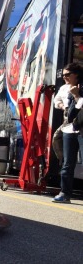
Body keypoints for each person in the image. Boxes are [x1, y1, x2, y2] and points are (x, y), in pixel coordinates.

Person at [53, 62, 83, 203]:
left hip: (81, 127)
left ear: (76, 74)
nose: (64, 77)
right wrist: (62, 106)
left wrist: (77, 96)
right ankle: (65, 193)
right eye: (63, 75)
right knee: (67, 163)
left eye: (67, 75)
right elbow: (56, 100)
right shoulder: (64, 88)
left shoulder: (81, 87)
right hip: (69, 127)